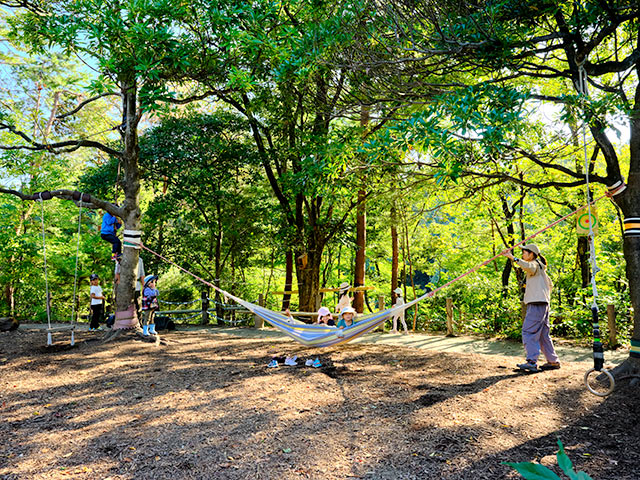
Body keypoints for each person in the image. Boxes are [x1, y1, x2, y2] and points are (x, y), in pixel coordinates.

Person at [503, 244, 560, 372]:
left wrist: (513, 258)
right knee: (543, 335)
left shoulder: (535, 264)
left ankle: (531, 362)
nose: (523, 255)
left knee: (529, 331)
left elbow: (528, 266)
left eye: (524, 253)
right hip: (543, 303)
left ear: (531, 254)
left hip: (537, 303)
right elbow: (549, 286)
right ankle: (553, 361)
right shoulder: (541, 269)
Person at [115, 255, 145, 321]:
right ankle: (125, 322)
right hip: (124, 284)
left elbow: (142, 274)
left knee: (138, 304)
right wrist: (119, 285)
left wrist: (144, 287)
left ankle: (139, 322)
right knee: (126, 305)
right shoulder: (121, 259)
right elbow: (117, 273)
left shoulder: (140, 260)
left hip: (136, 284)